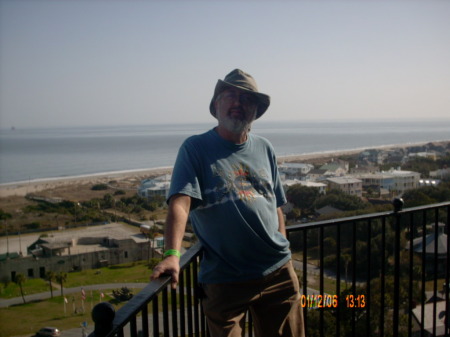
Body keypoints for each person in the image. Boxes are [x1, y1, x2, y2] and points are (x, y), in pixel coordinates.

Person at [151, 69, 304, 337]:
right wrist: (172, 255)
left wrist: (283, 243)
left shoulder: (264, 147)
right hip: (225, 279)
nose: (238, 103)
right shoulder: (195, 148)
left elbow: (275, 203)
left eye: (247, 99)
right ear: (216, 104)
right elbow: (180, 202)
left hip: (277, 272)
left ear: (255, 111)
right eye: (230, 95)